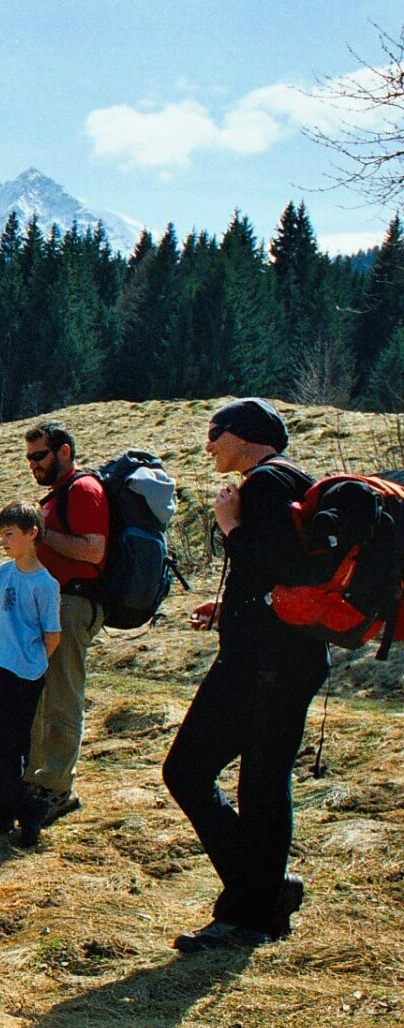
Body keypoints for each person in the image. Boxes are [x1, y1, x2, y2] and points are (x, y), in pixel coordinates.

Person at [163, 398, 324, 952]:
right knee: (261, 781)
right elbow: (282, 573)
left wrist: (229, 525)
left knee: (187, 771)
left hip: (265, 664)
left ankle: (254, 904)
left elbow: (281, 563)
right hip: (288, 656)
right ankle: (259, 902)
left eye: (215, 434)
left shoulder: (265, 486)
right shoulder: (294, 480)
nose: (208, 445)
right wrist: (229, 607)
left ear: (245, 437)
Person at [0, 503, 63, 848]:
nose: (3, 542)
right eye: (1, 535)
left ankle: (1, 816)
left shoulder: (46, 585)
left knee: (8, 750)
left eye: (10, 535)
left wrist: (31, 665)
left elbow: (53, 634)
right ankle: (28, 806)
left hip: (22, 677)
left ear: (32, 534)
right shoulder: (3, 573)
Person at [22, 422, 107, 822]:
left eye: (40, 456)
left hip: (73, 605)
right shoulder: (57, 496)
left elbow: (93, 551)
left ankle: (57, 789)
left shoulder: (84, 491)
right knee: (40, 697)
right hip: (52, 605)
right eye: (30, 458)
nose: (33, 464)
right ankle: (36, 781)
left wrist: (38, 535)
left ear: (65, 452)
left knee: (61, 696)